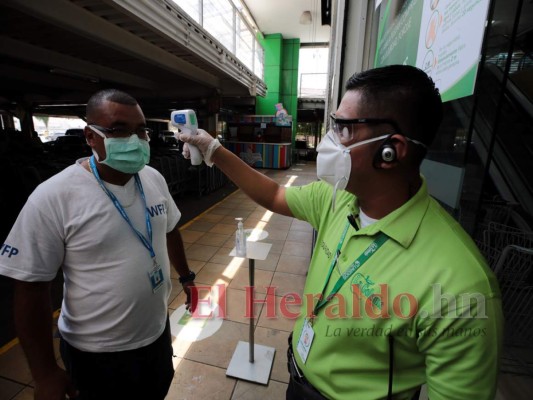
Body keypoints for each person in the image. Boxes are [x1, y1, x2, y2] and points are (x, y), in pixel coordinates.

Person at [179, 65, 503, 400]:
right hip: (298, 380)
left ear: (391, 151)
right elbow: (275, 195)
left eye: (344, 129)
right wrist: (214, 150)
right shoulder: (335, 199)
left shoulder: (461, 284)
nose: (331, 141)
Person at [0, 89, 198, 400]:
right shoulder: (54, 196)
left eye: (141, 130)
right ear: (91, 137)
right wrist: (45, 374)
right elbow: (29, 286)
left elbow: (170, 228)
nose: (135, 140)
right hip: (96, 354)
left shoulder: (152, 179)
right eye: (119, 129)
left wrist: (187, 277)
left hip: (156, 336)